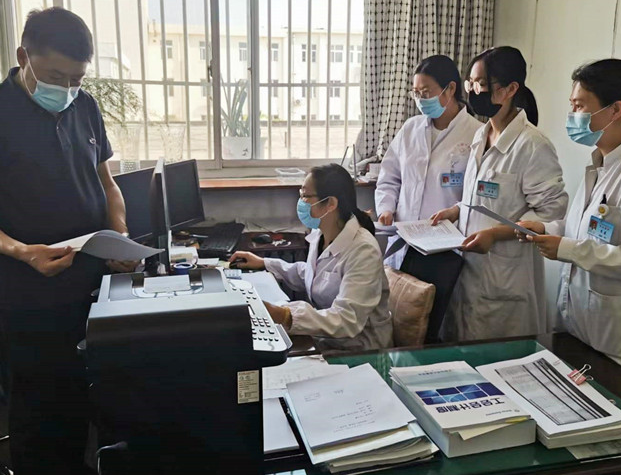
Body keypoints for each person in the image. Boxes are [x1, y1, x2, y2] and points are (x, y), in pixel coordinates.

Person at [0, 7, 137, 475]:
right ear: (23, 56)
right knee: (36, 404)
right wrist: (21, 251)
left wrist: (119, 235)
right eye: (57, 76)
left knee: (78, 391)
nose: (68, 88)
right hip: (25, 289)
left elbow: (107, 183)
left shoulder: (85, 106)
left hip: (86, 279)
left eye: (77, 78)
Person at [517, 59, 621, 389]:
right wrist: (548, 230)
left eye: (580, 106)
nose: (572, 115)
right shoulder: (601, 163)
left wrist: (568, 249)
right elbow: (586, 231)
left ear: (615, 110)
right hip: (581, 328)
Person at [431, 46, 568, 342]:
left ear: (510, 89)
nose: (473, 91)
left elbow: (551, 215)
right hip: (468, 271)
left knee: (500, 355)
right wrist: (457, 210)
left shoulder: (533, 145)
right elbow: (481, 197)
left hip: (505, 278)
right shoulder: (482, 135)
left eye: (481, 84)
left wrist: (496, 234)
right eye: (470, 83)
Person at [375, 55, 482, 341]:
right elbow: (390, 176)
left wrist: (455, 211)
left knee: (435, 325)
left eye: (426, 92)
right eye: (416, 93)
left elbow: (475, 197)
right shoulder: (411, 129)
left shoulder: (475, 134)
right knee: (399, 320)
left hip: (446, 249)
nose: (421, 100)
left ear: (450, 89)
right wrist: (386, 207)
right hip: (405, 242)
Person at [230, 164, 392, 351]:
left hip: (361, 350)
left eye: (305, 196)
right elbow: (312, 275)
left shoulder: (363, 251)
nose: (301, 202)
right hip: (328, 339)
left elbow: (347, 320)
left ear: (330, 203)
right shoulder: (322, 233)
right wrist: (265, 263)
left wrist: (285, 316)